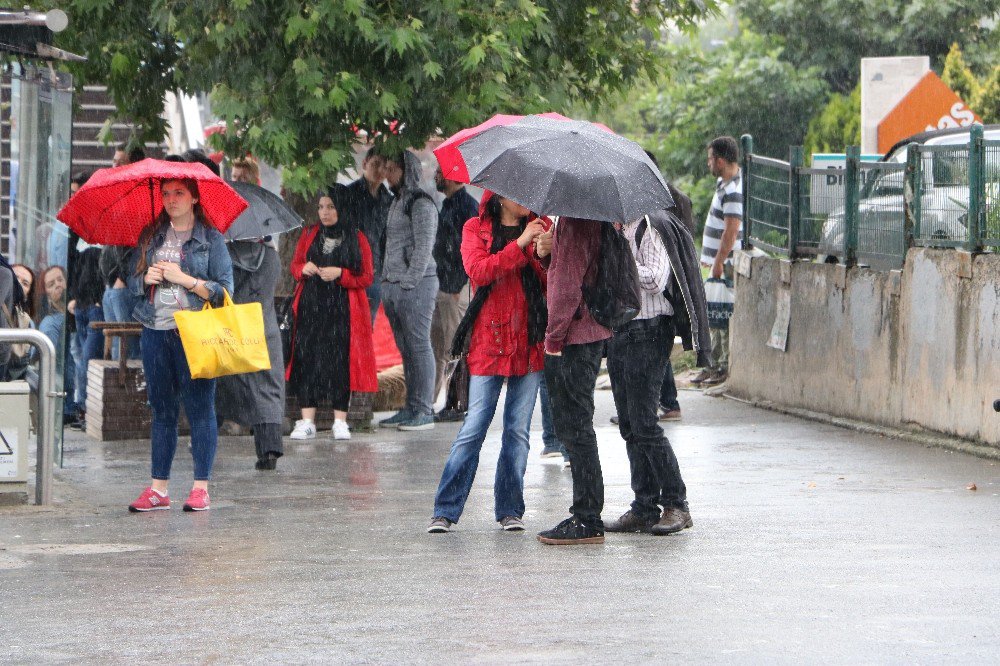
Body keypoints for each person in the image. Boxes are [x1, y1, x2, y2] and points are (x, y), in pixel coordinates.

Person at [427, 192, 548, 533]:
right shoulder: (474, 228)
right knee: (474, 426)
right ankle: (445, 510)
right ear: (501, 196)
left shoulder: (542, 227)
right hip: (488, 338)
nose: (527, 197)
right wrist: (521, 244)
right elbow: (479, 272)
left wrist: (544, 256)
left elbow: (551, 283)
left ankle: (510, 510)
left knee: (518, 431)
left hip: (528, 337)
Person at [126, 178, 234, 512]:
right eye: (166, 194)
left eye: (179, 193)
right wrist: (145, 279)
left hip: (195, 333)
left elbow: (225, 291)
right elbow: (130, 284)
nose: (171, 200)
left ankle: (200, 487)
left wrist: (183, 278)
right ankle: (159, 488)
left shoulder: (211, 240)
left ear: (195, 198)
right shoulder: (152, 236)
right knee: (161, 410)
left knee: (201, 409)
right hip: (155, 330)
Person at [603, 215, 693, 536]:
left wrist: (620, 255)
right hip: (619, 329)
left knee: (644, 422)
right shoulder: (611, 230)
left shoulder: (650, 229)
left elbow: (655, 280)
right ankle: (644, 506)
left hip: (651, 330)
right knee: (628, 424)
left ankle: (676, 503)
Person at [534, 217, 612, 545]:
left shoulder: (576, 221)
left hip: (575, 337)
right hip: (587, 331)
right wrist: (546, 252)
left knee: (575, 428)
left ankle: (587, 517)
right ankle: (587, 512)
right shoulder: (586, 219)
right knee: (577, 428)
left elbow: (566, 285)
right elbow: (567, 268)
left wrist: (552, 339)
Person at [207, 156, 287, 471]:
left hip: (231, 328)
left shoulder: (223, 256)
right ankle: (269, 449)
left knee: (224, 382)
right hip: (263, 327)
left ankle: (208, 440)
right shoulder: (271, 257)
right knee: (267, 385)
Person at [285, 192, 378, 441]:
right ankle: (307, 421)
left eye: (331, 207)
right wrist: (302, 269)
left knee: (340, 364)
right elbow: (295, 265)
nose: (324, 212)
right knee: (307, 361)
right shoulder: (309, 234)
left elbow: (367, 276)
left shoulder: (357, 237)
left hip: (343, 310)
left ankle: (340, 421)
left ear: (342, 209)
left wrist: (341, 273)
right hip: (311, 308)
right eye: (321, 207)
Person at [379, 150, 439, 431]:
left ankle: (424, 409)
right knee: (406, 350)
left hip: (417, 284)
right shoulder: (397, 201)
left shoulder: (420, 202)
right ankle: (410, 406)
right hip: (393, 284)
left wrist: (408, 282)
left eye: (392, 169)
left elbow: (424, 247)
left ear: (407, 171)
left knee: (419, 346)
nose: (387, 174)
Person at [693, 136, 743, 387]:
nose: (709, 163)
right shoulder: (724, 184)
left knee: (721, 315)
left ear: (720, 161)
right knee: (712, 312)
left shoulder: (734, 190)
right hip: (716, 263)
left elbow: (731, 231)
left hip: (725, 263)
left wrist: (719, 261)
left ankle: (721, 365)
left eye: (711, 159)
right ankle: (711, 364)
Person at [430, 166, 478, 418]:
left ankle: (457, 402)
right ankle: (439, 400)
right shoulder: (448, 204)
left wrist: (461, 283)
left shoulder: (467, 206)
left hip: (456, 287)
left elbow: (468, 247)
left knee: (454, 346)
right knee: (439, 346)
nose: (436, 177)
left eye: (441, 172)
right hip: (443, 284)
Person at [335, 148, 392, 324]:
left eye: (384, 167)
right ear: (365, 163)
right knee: (346, 324)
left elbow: (387, 238)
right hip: (350, 271)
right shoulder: (347, 194)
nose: (380, 171)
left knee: (367, 326)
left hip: (376, 273)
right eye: (375, 164)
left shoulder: (388, 200)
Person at [68, 247, 106, 430]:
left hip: (90, 306)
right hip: (84, 306)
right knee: (85, 359)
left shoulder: (96, 247)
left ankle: (84, 408)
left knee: (86, 360)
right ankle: (83, 408)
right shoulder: (87, 247)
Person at [36, 265, 79, 423]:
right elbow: (49, 362)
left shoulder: (72, 314)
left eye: (60, 280)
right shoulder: (50, 322)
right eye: (51, 284)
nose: (58, 285)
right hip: (64, 399)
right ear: (45, 293)